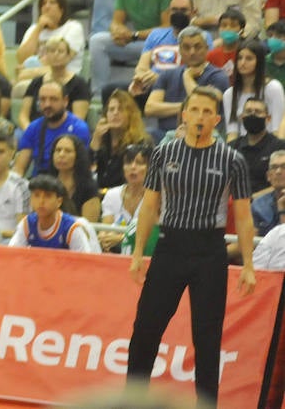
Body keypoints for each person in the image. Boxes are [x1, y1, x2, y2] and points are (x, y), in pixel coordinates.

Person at [127, 87, 256, 405]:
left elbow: (242, 216)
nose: (199, 116)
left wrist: (249, 266)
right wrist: (138, 253)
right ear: (183, 115)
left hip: (209, 251)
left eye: (206, 112)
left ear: (216, 118)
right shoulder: (164, 153)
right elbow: (149, 206)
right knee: (146, 328)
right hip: (170, 246)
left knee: (207, 337)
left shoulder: (232, 160)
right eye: (194, 110)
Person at [145, 26, 231, 140]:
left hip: (203, 136)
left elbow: (201, 104)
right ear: (179, 50)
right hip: (166, 135)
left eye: (197, 47)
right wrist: (185, 107)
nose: (192, 52)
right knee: (147, 134)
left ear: (207, 48)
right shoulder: (167, 75)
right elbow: (150, 108)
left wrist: (187, 76)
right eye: (186, 47)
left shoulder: (217, 76)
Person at [14, 81, 91, 177]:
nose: (47, 104)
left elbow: (81, 169)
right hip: (38, 184)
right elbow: (19, 168)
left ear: (65, 101)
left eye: (53, 99)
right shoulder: (33, 127)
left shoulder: (78, 128)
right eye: (42, 99)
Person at [7, 174, 101, 252]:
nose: (41, 201)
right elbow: (13, 254)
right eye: (36, 195)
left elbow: (84, 262)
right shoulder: (26, 224)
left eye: (48, 196)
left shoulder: (71, 228)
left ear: (59, 201)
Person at [91, 89, 151, 189]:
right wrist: (95, 140)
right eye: (111, 109)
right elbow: (86, 171)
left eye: (120, 109)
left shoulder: (140, 143)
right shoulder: (102, 139)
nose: (115, 113)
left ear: (130, 114)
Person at [0, 129, 28, 242]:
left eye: (0, 152)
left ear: (12, 153)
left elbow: (22, 231)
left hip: (10, 242)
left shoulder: (20, 185)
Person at [49, 133, 100, 221]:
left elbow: (89, 226)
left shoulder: (88, 187)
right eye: (58, 150)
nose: (61, 154)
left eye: (68, 151)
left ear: (78, 156)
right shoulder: (47, 183)